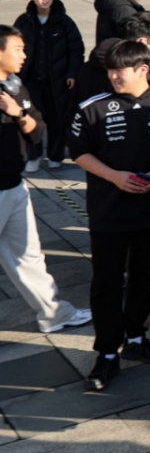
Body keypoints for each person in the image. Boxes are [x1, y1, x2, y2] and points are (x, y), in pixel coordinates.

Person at [68, 40, 150, 391]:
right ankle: (107, 352)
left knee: (149, 276)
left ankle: (136, 336)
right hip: (108, 213)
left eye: (119, 71)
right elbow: (78, 151)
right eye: (110, 70)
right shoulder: (93, 108)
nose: (113, 77)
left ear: (143, 70)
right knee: (106, 283)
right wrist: (114, 176)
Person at [0, 25, 92, 332]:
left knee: (29, 256)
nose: (24, 56)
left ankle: (54, 314)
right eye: (17, 49)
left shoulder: (15, 88)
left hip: (14, 186)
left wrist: (18, 113)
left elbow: (37, 130)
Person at [15, 0, 84, 171]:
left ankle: (56, 155)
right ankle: (33, 156)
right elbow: (13, 47)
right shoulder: (24, 21)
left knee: (58, 120)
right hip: (30, 81)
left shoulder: (64, 21)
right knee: (31, 119)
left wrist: (72, 73)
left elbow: (76, 49)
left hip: (58, 80)